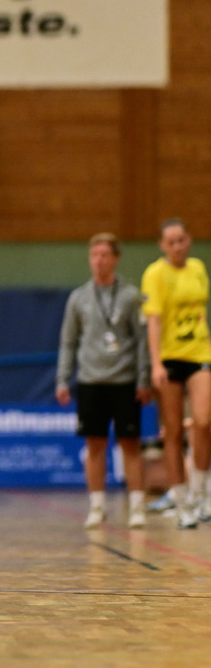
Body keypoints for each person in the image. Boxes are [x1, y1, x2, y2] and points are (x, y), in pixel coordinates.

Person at [55, 233, 151, 530]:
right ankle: (97, 506)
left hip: (124, 380)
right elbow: (68, 341)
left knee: (130, 444)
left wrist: (143, 378)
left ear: (116, 258)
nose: (99, 261)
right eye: (94, 255)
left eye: (105, 255)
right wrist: (62, 379)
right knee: (95, 445)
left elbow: (142, 341)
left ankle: (137, 506)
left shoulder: (131, 296)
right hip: (91, 380)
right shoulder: (79, 298)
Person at [141, 218, 211, 529]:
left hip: (199, 354)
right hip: (169, 358)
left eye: (181, 239)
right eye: (170, 241)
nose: (177, 246)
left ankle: (200, 493)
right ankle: (180, 499)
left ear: (189, 240)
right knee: (172, 431)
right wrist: (156, 363)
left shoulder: (197, 268)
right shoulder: (155, 274)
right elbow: (153, 322)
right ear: (161, 245)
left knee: (204, 421)